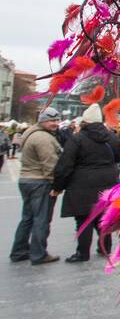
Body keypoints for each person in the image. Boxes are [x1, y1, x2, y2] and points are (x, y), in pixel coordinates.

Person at [52, 103, 120, 262]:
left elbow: (66, 164)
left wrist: (58, 186)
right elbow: (118, 157)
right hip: (108, 182)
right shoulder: (111, 137)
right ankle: (105, 248)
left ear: (85, 122)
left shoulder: (77, 139)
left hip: (82, 183)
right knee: (104, 217)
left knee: (84, 219)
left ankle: (82, 252)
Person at [9, 108, 62, 264]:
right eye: (52, 120)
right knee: (41, 219)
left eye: (57, 120)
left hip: (27, 179)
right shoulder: (43, 138)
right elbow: (50, 164)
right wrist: (56, 185)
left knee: (27, 218)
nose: (56, 124)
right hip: (40, 181)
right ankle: (38, 254)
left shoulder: (33, 133)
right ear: (42, 121)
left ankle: (19, 251)